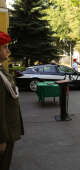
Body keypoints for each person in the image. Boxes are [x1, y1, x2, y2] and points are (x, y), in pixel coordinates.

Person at [0, 31, 24, 170]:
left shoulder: (2, 70)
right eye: (4, 47)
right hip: (5, 134)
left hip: (8, 131)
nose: (8, 51)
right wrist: (1, 139)